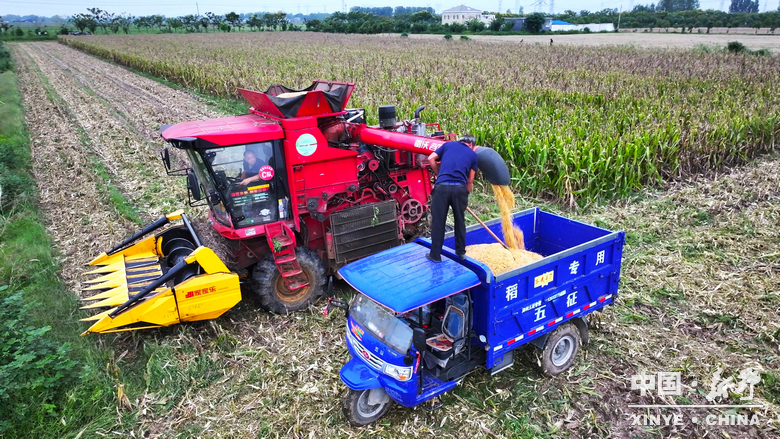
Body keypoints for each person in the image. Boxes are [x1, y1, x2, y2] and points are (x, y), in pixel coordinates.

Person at [426, 134, 479, 263]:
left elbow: (431, 158)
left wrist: (439, 174)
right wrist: (465, 194)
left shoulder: (448, 145)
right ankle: (460, 253)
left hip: (441, 189)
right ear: (471, 145)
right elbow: (470, 180)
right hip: (459, 190)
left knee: (439, 222)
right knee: (460, 221)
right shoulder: (473, 155)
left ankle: (435, 255)